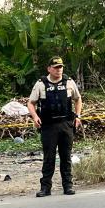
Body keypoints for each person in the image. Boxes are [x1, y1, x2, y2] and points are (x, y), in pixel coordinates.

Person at [27, 56, 82, 197]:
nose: (59, 70)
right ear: (49, 68)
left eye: (61, 67)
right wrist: (35, 117)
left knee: (66, 157)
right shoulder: (41, 84)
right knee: (49, 158)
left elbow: (78, 99)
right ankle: (45, 188)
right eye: (56, 67)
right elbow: (31, 103)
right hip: (48, 126)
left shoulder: (69, 82)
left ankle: (68, 186)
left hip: (66, 124)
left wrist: (78, 116)